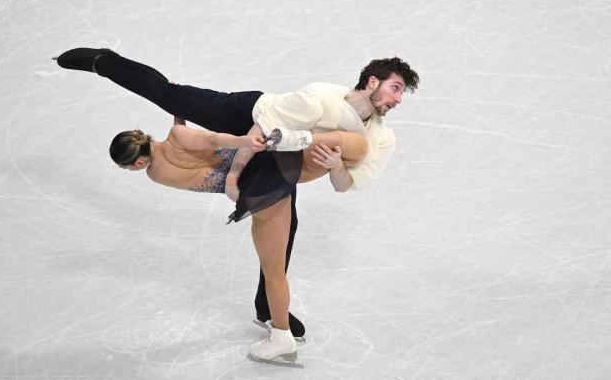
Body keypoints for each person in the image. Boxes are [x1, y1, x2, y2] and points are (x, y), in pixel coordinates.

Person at [55, 47, 419, 366]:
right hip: (248, 117)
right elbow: (257, 134)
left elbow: (345, 185)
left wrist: (337, 167)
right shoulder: (320, 97)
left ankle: (269, 310)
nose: (398, 100)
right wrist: (234, 176)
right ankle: (104, 62)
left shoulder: (379, 137)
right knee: (172, 96)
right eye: (395, 88)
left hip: (281, 157)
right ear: (372, 81)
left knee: (284, 238)